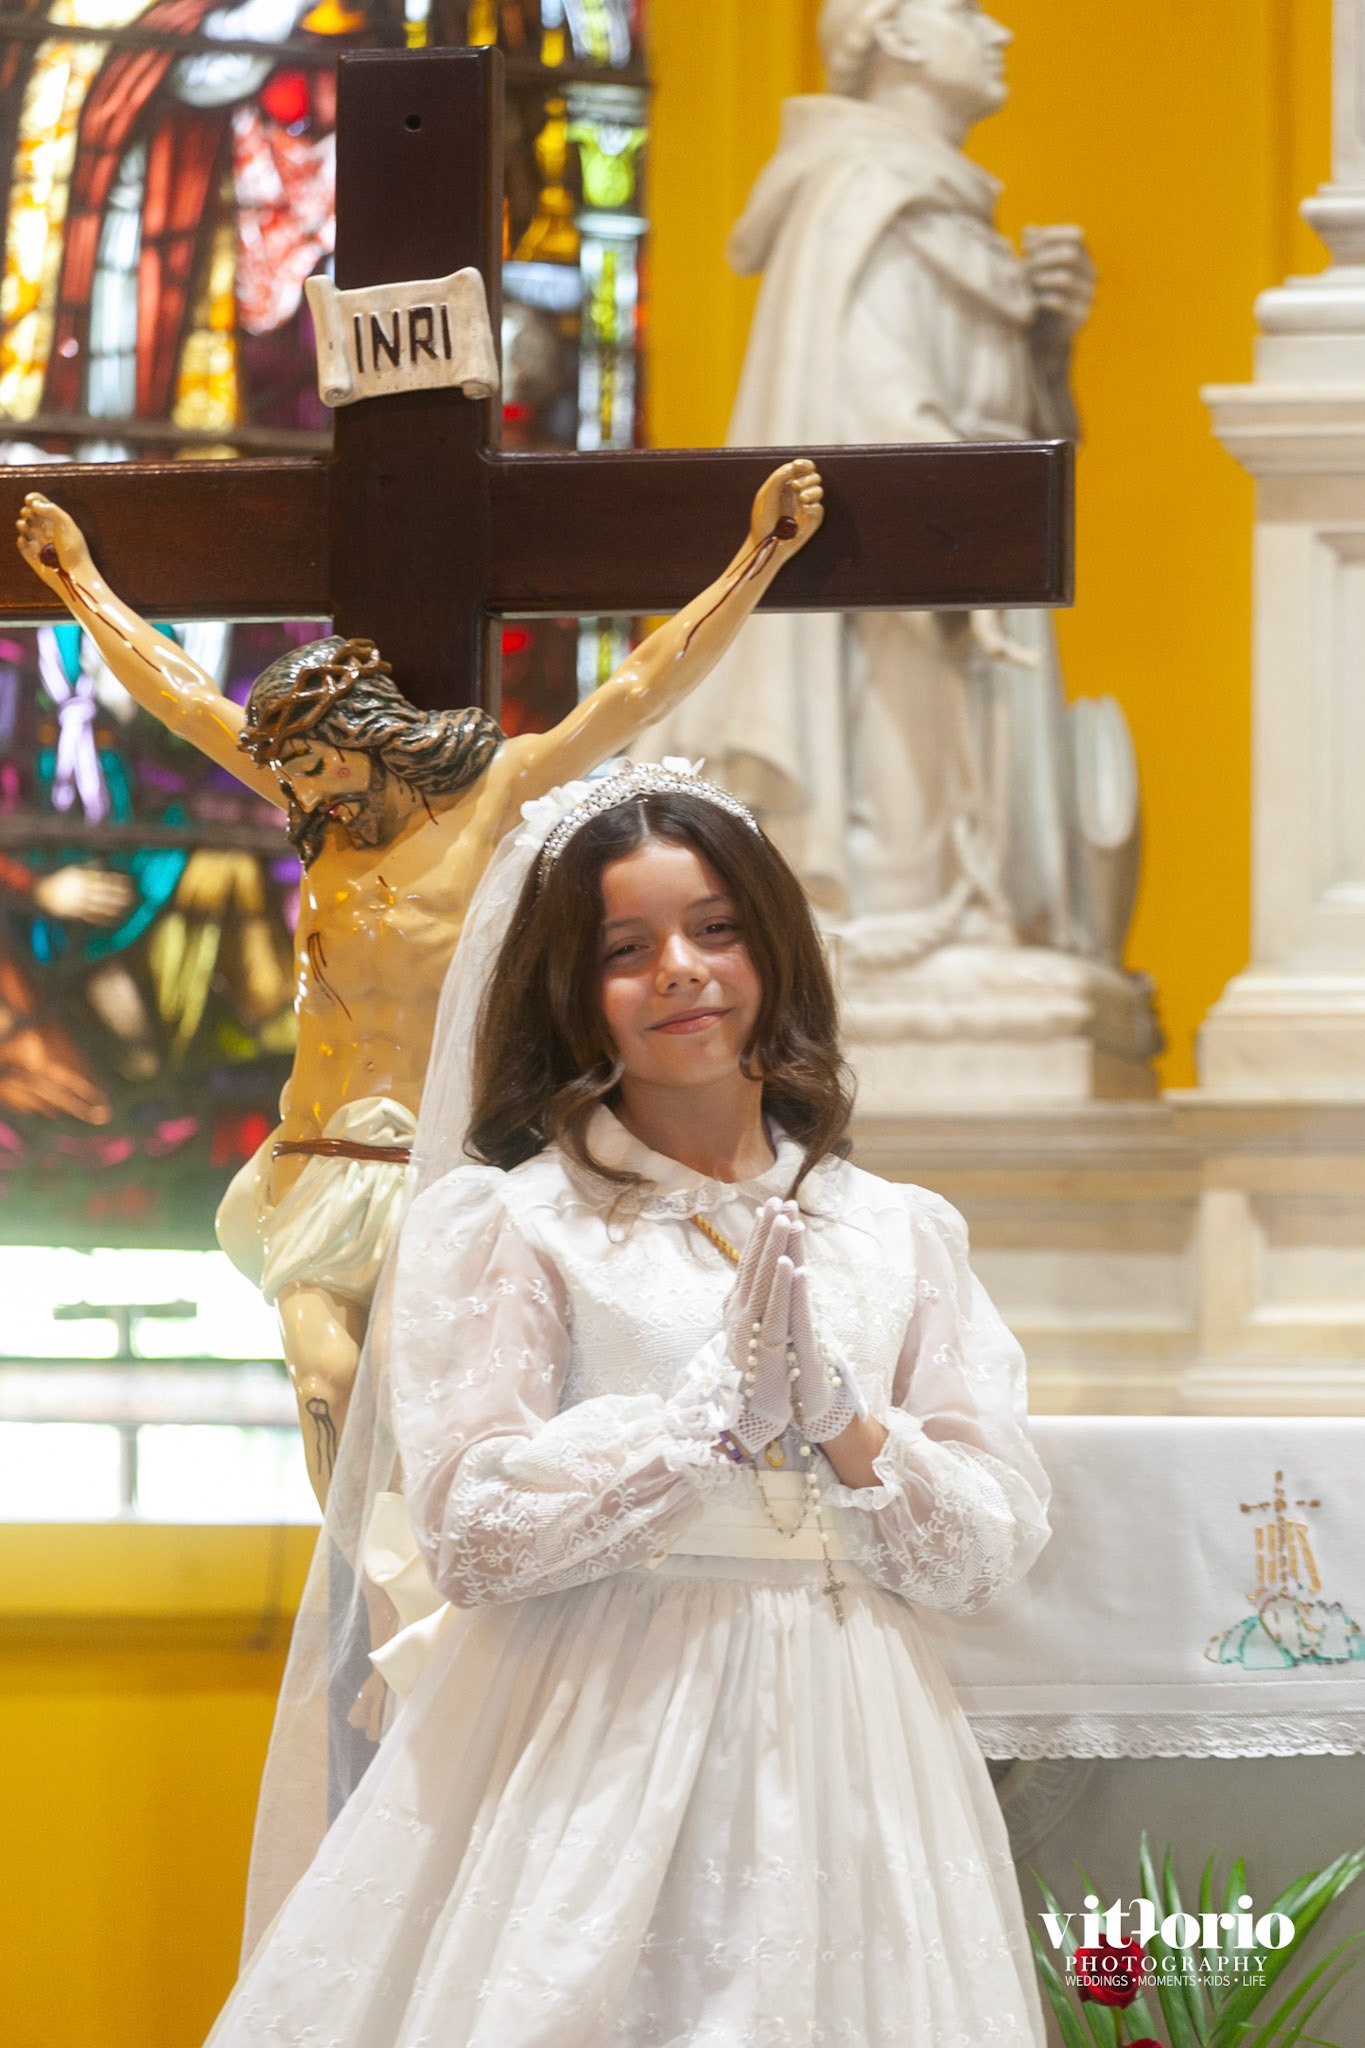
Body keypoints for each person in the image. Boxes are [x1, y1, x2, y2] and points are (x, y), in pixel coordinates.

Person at [206, 758, 1051, 2046]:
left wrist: (846, 1421)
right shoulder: (516, 1222)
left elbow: (985, 1548)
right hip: (596, 1728)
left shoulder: (897, 1230)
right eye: (626, 947)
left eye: (716, 928)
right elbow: (470, 1532)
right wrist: (700, 1428)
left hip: (854, 1736)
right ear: (573, 987)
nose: (680, 970)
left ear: (774, 951)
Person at [15, 460, 824, 1503]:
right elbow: (185, 701)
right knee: (324, 1380)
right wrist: (75, 578)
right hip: (313, 1155)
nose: (301, 790)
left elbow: (640, 685)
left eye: (313, 765)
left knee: (415, 1404)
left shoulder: (495, 793)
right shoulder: (321, 819)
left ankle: (422, 1579)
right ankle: (351, 1577)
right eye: (291, 773)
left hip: (434, 1167)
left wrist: (762, 552)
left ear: (363, 736)